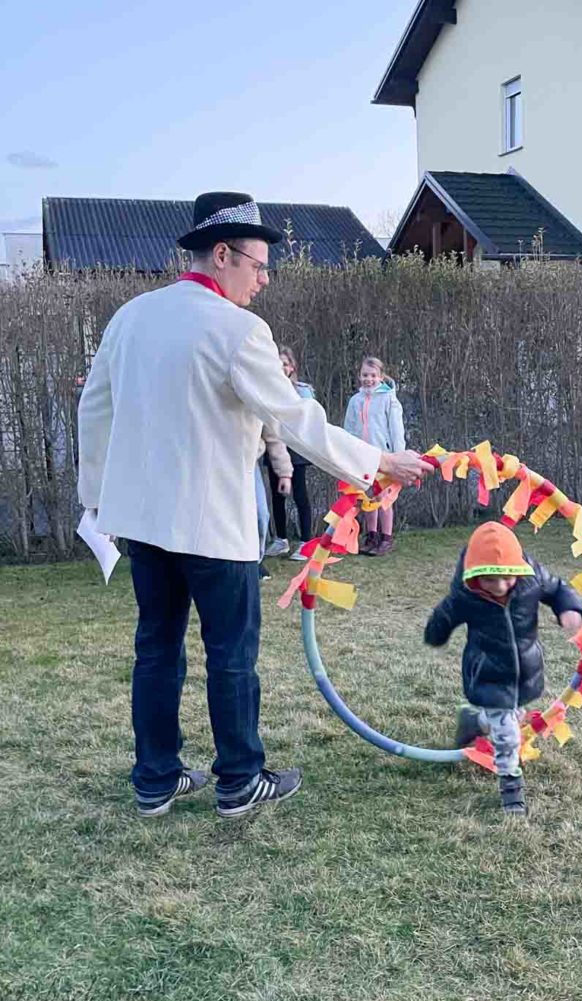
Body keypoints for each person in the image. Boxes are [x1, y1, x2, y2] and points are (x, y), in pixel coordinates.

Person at [77, 191, 432, 820]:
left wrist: (98, 499)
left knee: (156, 648)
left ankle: (155, 779)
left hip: (143, 525)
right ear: (221, 254)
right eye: (259, 265)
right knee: (231, 653)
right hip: (212, 523)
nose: (265, 281)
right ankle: (239, 778)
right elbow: (296, 417)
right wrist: (378, 462)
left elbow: (95, 409)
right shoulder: (239, 329)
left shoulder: (130, 316)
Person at [424, 521, 582, 817]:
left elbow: (558, 588)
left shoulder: (532, 578)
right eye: (489, 580)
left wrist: (568, 608)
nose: (499, 587)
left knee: (512, 715)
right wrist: (436, 633)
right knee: (509, 734)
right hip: (488, 672)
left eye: (506, 578)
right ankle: (511, 788)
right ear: (474, 576)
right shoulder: (466, 594)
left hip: (526, 670)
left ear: (518, 569)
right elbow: (445, 614)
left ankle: (476, 721)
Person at [343, 356, 405, 556]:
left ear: (380, 377)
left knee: (384, 497)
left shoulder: (389, 399)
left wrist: (398, 456)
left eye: (372, 375)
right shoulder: (355, 401)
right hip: (363, 456)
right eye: (364, 375)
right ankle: (371, 536)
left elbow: (396, 429)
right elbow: (349, 429)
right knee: (367, 496)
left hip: (384, 455)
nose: (368, 379)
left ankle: (386, 537)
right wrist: (349, 453)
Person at [263, 347, 315, 561]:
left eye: (285, 363)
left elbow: (310, 419)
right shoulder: (265, 389)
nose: (281, 368)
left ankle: (306, 542)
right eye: (277, 363)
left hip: (297, 449)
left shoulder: (302, 391)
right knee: (277, 496)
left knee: (300, 495)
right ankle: (281, 539)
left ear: (292, 367)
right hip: (275, 445)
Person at [255, 426, 293, 580]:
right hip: (216, 466)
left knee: (261, 516)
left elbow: (272, 435)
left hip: (248, 465)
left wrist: (284, 473)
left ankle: (255, 561)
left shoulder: (257, 402)